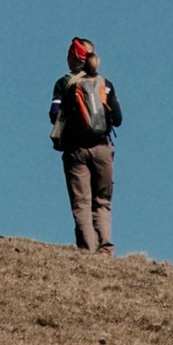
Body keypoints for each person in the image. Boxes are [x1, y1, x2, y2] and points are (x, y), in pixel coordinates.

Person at [50, 36, 122, 253]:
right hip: (102, 149)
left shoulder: (65, 83)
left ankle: (87, 249)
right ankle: (105, 248)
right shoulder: (106, 84)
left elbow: (54, 114)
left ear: (74, 56)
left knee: (81, 202)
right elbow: (117, 119)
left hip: (76, 151)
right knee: (102, 201)